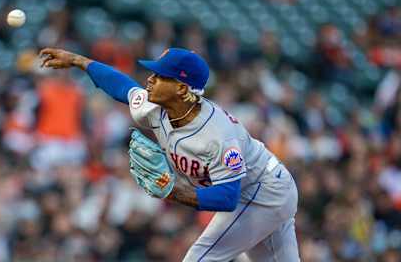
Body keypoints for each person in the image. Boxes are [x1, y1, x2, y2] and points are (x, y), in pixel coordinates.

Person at [39, 47, 300, 261]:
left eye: (161, 76)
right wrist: (77, 60)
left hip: (262, 192)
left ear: (183, 90)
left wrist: (173, 191)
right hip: (261, 189)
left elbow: (227, 198)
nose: (150, 78)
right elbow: (122, 87)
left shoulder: (217, 135)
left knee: (201, 258)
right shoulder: (156, 107)